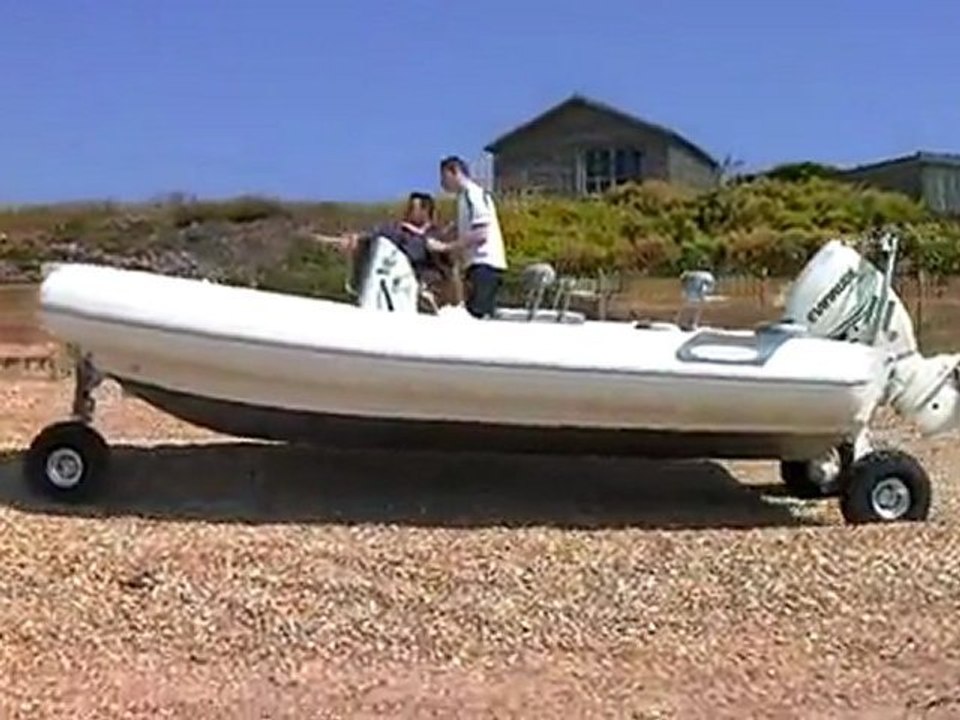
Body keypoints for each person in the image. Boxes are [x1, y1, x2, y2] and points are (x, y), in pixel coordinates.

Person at [438, 155, 508, 318]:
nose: (442, 183)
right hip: (474, 265)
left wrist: (447, 247)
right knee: (472, 314)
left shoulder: (474, 194)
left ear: (455, 171)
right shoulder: (462, 198)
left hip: (485, 264)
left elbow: (481, 233)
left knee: (478, 316)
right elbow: (464, 226)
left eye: (444, 177)